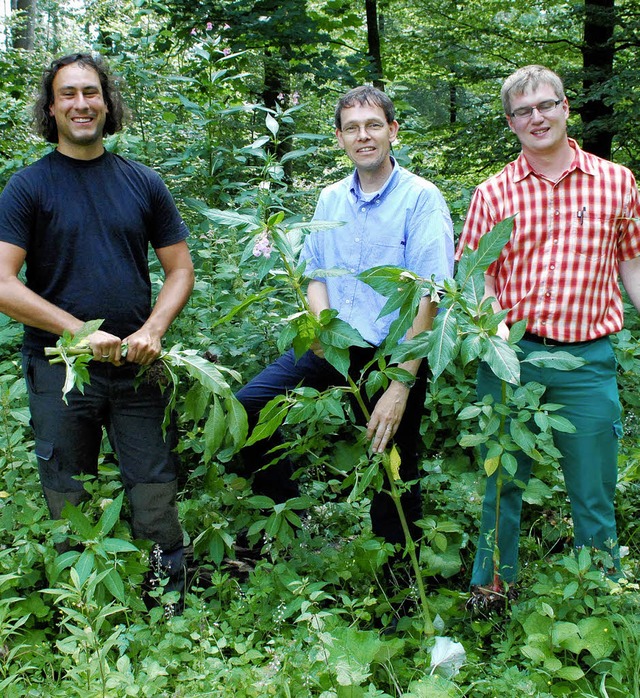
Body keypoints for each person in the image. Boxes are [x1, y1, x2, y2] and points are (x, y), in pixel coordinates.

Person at [0, 53, 194, 607]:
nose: (80, 104)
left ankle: (167, 605)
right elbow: (3, 283)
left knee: (154, 488)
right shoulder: (28, 188)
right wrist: (77, 333)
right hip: (59, 367)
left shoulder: (142, 182)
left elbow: (179, 269)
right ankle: (87, 610)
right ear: (51, 107)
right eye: (68, 94)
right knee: (68, 493)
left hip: (138, 367)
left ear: (107, 103)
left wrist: (155, 327)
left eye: (91, 92)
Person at [236, 86, 454, 572]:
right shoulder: (330, 198)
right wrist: (318, 326)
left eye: (374, 125)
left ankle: (399, 590)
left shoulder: (421, 199)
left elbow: (430, 294)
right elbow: (316, 272)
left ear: (393, 131)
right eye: (352, 128)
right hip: (330, 344)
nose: (364, 136)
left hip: (391, 357)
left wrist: (401, 384)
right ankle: (287, 521)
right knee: (249, 407)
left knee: (391, 469)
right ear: (339, 138)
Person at [456, 64, 640, 610]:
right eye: (523, 111)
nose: (536, 117)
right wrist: (495, 333)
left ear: (565, 107)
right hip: (511, 357)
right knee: (499, 488)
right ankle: (491, 593)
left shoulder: (618, 182)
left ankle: (602, 600)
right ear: (510, 123)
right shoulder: (492, 194)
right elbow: (474, 272)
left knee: (593, 492)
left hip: (588, 363)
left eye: (546, 105)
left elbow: (632, 261)